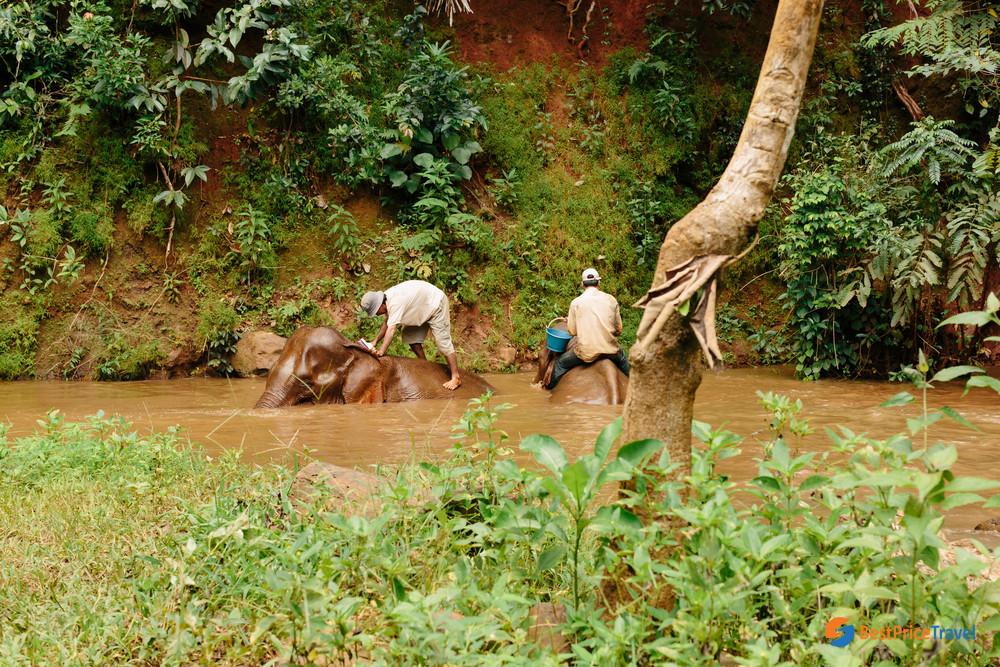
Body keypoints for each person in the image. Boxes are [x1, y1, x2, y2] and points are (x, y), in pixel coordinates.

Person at [360, 280, 463, 390]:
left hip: (436, 303)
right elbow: (387, 323)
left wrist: (381, 352)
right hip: (422, 306)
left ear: (382, 305)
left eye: (376, 312)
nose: (377, 314)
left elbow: (391, 329)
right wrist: (374, 342)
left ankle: (456, 377)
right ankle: (424, 364)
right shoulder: (386, 300)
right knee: (410, 336)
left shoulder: (395, 302)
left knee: (443, 343)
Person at [547, 268, 630, 389]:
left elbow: (572, 332)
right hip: (611, 351)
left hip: (586, 353)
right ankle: (633, 388)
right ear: (598, 283)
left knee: (560, 364)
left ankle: (551, 392)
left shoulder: (576, 302)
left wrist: (571, 321)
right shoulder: (611, 299)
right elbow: (619, 329)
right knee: (623, 359)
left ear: (582, 284)